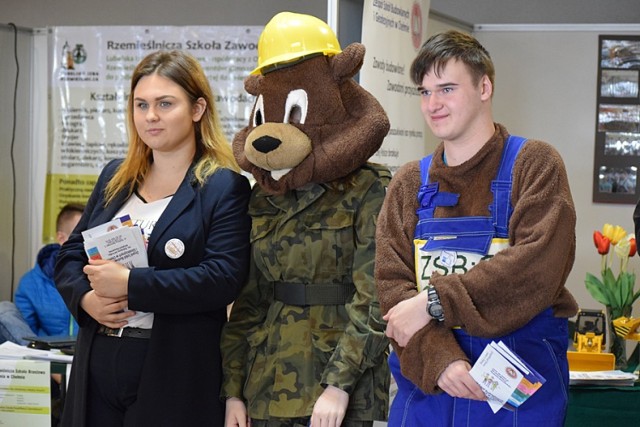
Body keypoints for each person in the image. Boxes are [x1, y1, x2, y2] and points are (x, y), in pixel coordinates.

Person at [374, 30, 578, 426]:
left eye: (446, 89)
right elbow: (392, 292)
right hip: (431, 386)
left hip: (515, 389)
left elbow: (536, 269)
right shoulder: (408, 184)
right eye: (424, 92)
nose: (433, 104)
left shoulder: (534, 164)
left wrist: (433, 302)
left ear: (484, 86)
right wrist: (440, 359)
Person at [54, 49, 251, 427]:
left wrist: (130, 284)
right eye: (141, 104)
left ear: (197, 110)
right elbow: (69, 255)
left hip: (172, 367)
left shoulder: (223, 186)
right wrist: (86, 299)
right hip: (98, 358)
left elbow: (223, 279)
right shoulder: (116, 177)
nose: (151, 116)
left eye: (165, 103)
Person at [221, 12, 390, 427]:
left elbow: (376, 298)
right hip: (268, 382)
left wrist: (338, 385)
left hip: (342, 390)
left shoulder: (370, 188)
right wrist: (233, 390)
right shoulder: (265, 196)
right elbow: (249, 300)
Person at [0, 203, 83, 345]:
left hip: (88, 354)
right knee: (4, 309)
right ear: (62, 238)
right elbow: (25, 332)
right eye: (81, 235)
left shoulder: (103, 274)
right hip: (45, 352)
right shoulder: (31, 283)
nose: (88, 241)